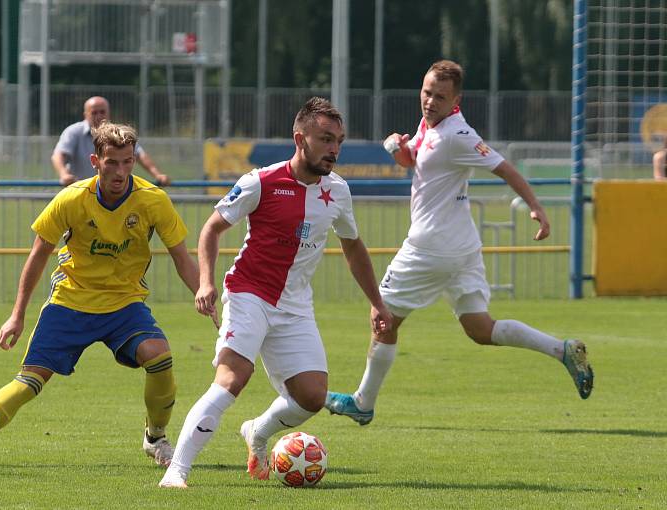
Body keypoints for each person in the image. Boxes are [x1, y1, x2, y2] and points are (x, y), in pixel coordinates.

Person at [325, 60, 595, 428]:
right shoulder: (429, 124)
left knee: (382, 319)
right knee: (480, 329)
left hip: (431, 247)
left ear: (456, 100)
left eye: (439, 97)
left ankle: (363, 403)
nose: (429, 101)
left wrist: (536, 208)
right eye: (426, 92)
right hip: (462, 245)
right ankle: (561, 350)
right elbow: (413, 159)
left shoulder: (458, 134)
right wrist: (398, 148)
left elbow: (505, 168)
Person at [158, 97, 393, 488]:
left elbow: (353, 247)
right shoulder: (259, 181)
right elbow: (211, 229)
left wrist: (377, 301)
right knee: (233, 378)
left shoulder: (338, 191)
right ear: (300, 138)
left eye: (339, 140)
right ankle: (177, 471)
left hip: (296, 305)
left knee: (312, 396)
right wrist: (206, 281)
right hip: (249, 293)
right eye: (326, 139)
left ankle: (258, 432)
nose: (334, 148)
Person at [0, 121, 199, 469]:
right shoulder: (72, 198)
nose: (120, 171)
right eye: (112, 162)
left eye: (127, 162)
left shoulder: (153, 200)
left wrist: (205, 294)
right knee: (29, 382)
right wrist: (17, 314)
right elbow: (37, 256)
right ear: (95, 161)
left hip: (124, 304)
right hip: (70, 303)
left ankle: (156, 438)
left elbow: (183, 258)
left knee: (160, 357)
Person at [51, 96, 172, 187]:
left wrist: (157, 175)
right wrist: (64, 174)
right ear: (85, 114)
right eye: (94, 112)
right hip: (80, 193)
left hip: (112, 197)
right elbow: (59, 155)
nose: (99, 116)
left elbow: (139, 154)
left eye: (102, 112)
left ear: (108, 113)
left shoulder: (117, 132)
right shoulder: (73, 131)